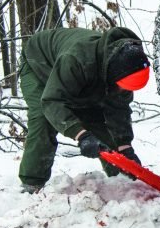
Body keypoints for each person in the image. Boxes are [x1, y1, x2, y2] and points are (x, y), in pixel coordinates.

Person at [18, 26, 150, 193]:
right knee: (44, 119)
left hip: (80, 76)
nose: (123, 91)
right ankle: (31, 183)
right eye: (122, 87)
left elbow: (119, 108)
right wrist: (81, 135)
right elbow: (52, 101)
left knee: (98, 126)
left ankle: (123, 181)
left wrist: (125, 146)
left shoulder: (127, 65)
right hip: (39, 65)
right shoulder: (77, 60)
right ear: (112, 74)